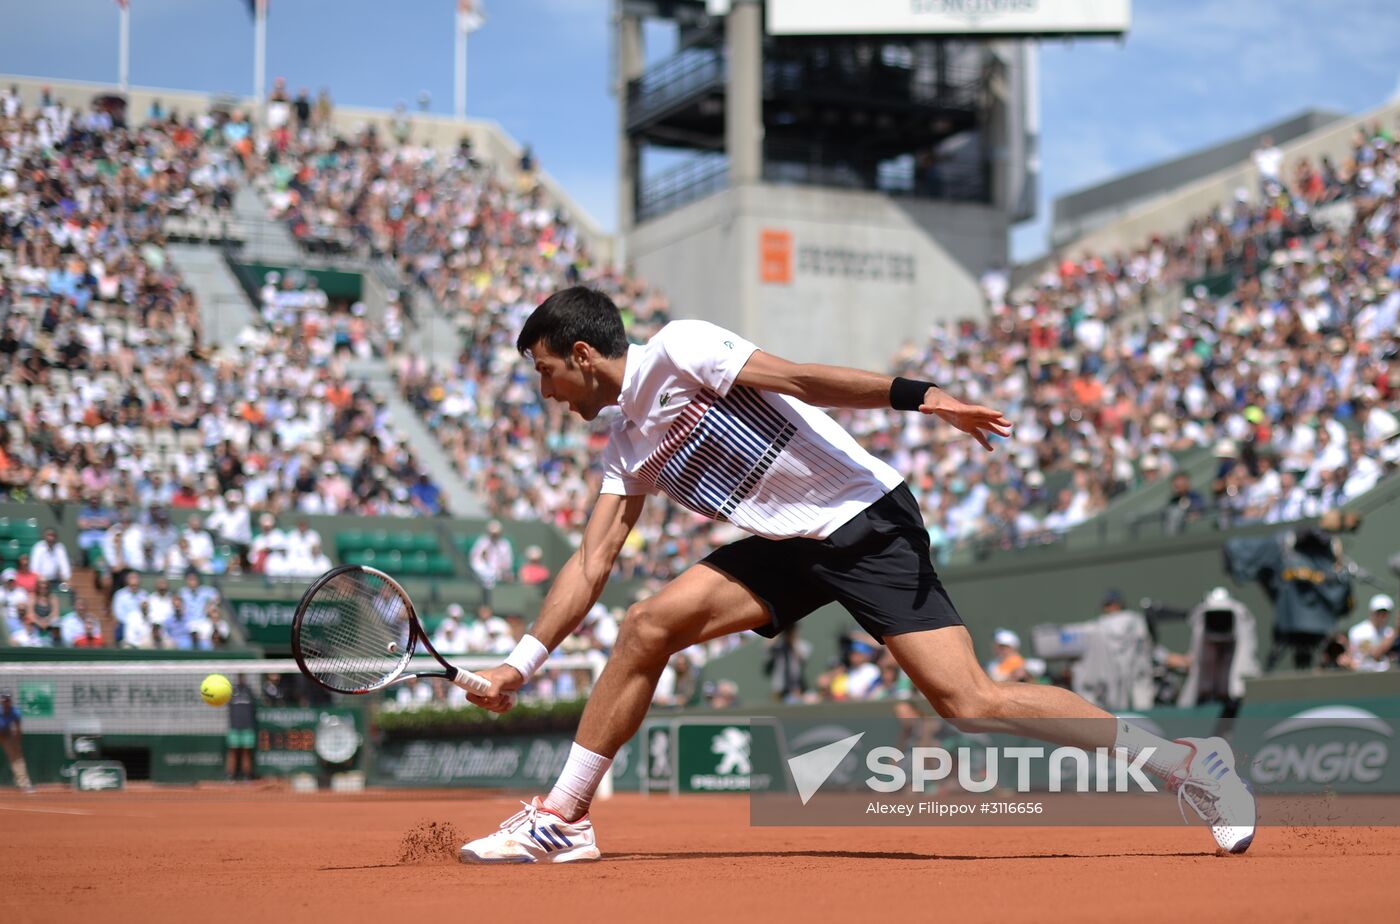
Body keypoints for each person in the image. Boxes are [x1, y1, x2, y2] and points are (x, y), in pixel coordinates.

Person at [456, 287, 1255, 863]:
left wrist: (924, 398)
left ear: (583, 355)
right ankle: (564, 819)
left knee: (968, 701)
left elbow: (802, 380)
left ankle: (1192, 768)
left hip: (864, 520)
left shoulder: (682, 348)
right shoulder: (624, 447)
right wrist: (520, 665)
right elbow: (593, 561)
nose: (544, 390)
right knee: (645, 627)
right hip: (785, 543)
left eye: (544, 371)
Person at [1349, 594, 1397, 672]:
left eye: (1385, 612)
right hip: (1364, 674)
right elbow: (1374, 654)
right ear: (1372, 612)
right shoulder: (1358, 631)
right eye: (1379, 612)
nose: (1382, 615)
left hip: (1386, 675)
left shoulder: (1389, 632)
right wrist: (1397, 630)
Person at [0, 692, 35, 792]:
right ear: (1, 701)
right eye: (4, 700)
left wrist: (16, 743)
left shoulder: (15, 712)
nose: (6, 702)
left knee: (17, 759)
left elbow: (18, 729)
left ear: (10, 701)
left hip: (7, 735)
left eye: (8, 700)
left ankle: (24, 784)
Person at [226, 675, 257, 782]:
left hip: (247, 727)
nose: (241, 679)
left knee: (246, 752)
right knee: (233, 751)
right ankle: (231, 776)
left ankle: (247, 775)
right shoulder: (231, 692)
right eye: (239, 677)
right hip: (234, 727)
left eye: (242, 677)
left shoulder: (249, 691)